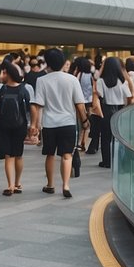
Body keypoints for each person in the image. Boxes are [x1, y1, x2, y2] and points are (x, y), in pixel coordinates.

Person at [30, 48, 86, 199]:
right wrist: (85, 121)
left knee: (50, 155)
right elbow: (80, 104)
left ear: (47, 63)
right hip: (68, 123)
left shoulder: (42, 80)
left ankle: (50, 185)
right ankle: (66, 185)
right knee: (67, 155)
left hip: (49, 124)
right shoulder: (72, 79)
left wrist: (34, 125)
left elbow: (38, 105)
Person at [0, 61, 33, 196]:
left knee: (9, 156)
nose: (1, 75)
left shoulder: (1, 89)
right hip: (20, 126)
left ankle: (10, 185)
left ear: (7, 73)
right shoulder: (24, 89)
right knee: (18, 156)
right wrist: (32, 125)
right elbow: (30, 109)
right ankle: (17, 183)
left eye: (2, 72)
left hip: (4, 126)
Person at [93, 57, 134, 168]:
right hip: (119, 109)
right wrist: (127, 106)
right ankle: (117, 161)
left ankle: (106, 162)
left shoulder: (101, 81)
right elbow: (130, 96)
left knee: (105, 138)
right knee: (117, 137)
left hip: (106, 109)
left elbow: (99, 95)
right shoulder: (122, 81)